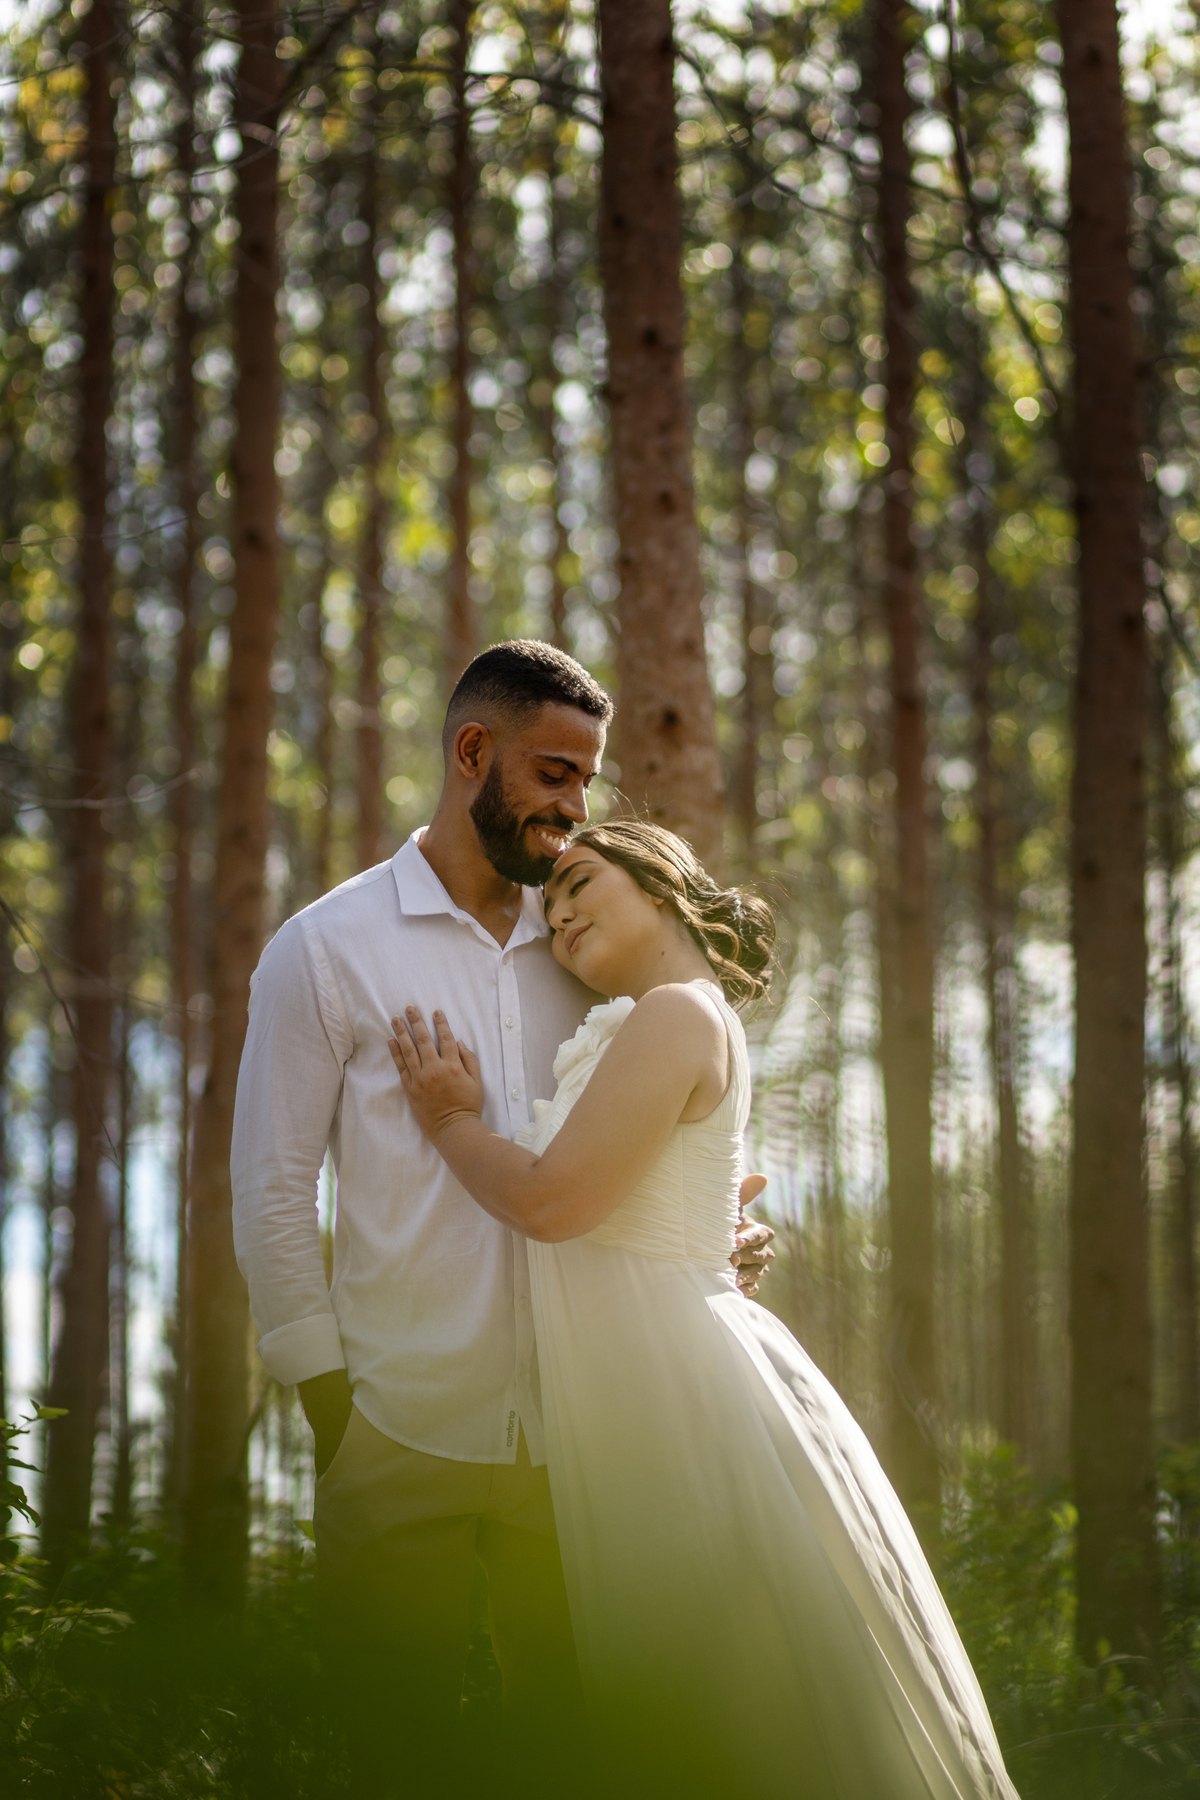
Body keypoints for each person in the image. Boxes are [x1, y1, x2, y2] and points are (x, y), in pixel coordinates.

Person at [231, 641, 773, 1791]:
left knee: (575, 1757)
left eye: (587, 780)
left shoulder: (585, 943)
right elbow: (273, 1188)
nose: (574, 809)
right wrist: (335, 1407)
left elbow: (658, 1121)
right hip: (399, 1428)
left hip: (586, 1443)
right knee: (391, 1756)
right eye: (554, 772)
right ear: (473, 752)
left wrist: (715, 1233)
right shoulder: (326, 950)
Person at [390, 818, 1023, 1800]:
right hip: (628, 1392)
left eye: (581, 886)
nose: (560, 918)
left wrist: (449, 1120)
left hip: (679, 1393)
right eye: (548, 910)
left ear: (663, 883)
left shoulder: (678, 1013)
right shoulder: (662, 1020)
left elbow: (553, 1202)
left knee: (740, 1691)